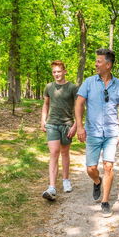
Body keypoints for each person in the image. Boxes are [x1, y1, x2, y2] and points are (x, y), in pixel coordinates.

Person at [75, 48, 119, 218]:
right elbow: (79, 104)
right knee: (91, 169)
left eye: (99, 61)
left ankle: (105, 201)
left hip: (112, 132)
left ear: (108, 65)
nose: (96, 64)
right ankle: (97, 182)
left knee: (108, 166)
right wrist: (79, 126)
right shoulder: (89, 82)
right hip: (93, 131)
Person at [41, 60, 79, 201]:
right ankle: (52, 187)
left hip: (67, 124)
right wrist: (43, 120)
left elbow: (79, 107)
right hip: (52, 124)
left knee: (65, 153)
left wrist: (76, 125)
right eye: (54, 72)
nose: (56, 74)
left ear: (64, 71)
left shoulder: (73, 87)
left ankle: (66, 180)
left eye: (59, 71)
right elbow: (45, 105)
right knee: (54, 153)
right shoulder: (49, 87)